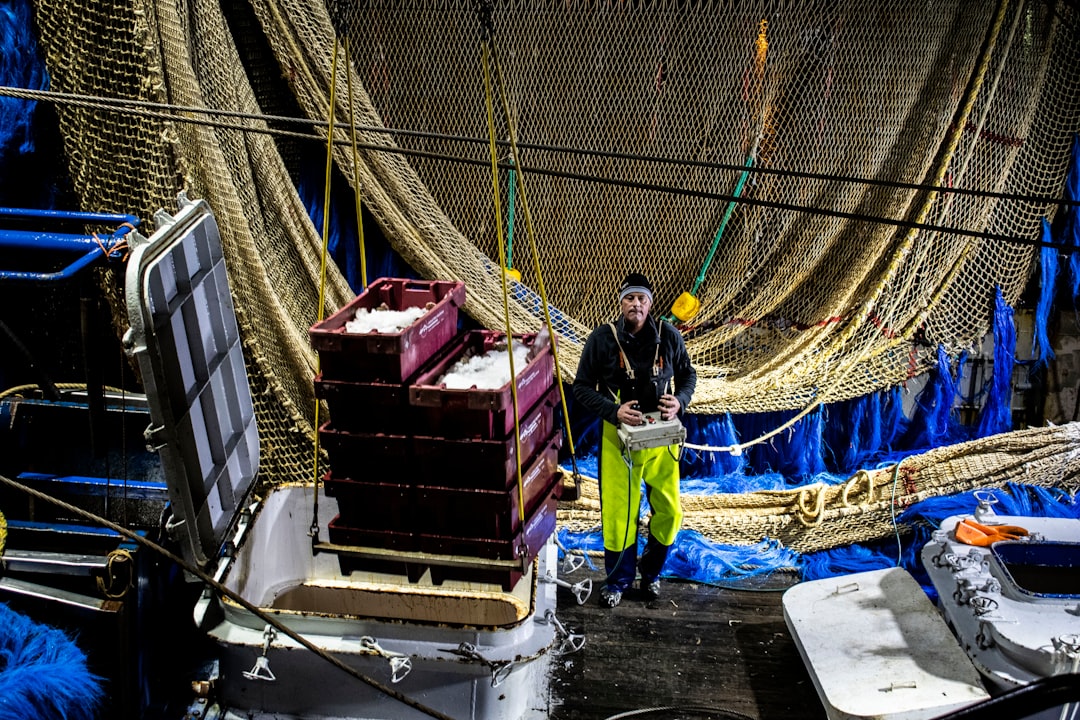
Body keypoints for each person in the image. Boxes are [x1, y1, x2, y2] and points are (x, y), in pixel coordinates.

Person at [573, 272, 696, 607]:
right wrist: (614, 413)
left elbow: (687, 375)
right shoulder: (602, 338)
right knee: (619, 515)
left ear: (650, 304)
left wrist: (680, 401)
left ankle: (652, 573)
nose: (636, 304)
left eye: (642, 298)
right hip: (619, 439)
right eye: (630, 298)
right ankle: (617, 581)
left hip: (661, 436)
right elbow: (581, 387)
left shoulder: (669, 336)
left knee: (669, 512)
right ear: (621, 302)